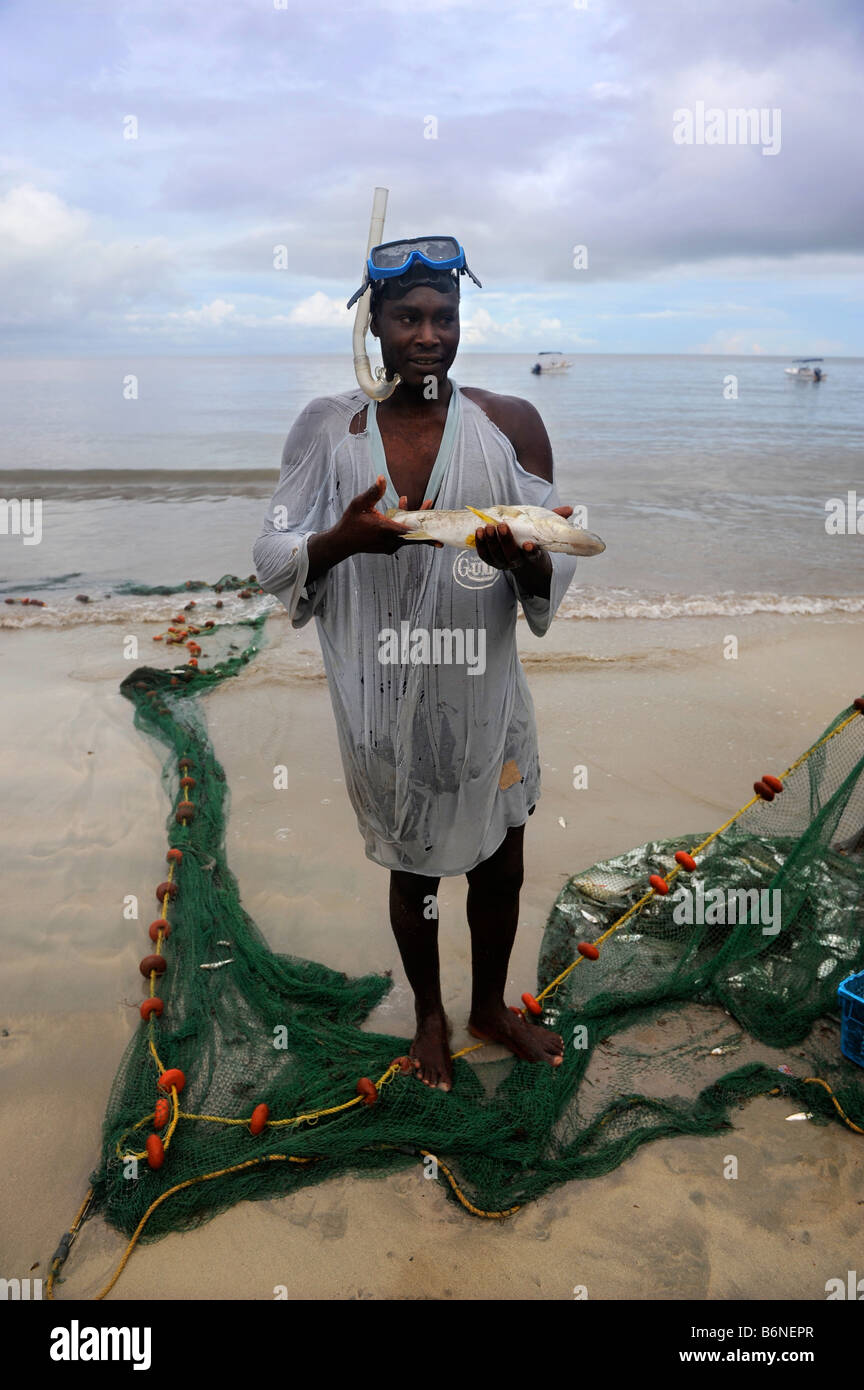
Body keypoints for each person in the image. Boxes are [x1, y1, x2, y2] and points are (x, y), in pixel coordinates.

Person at [253, 238, 579, 1091]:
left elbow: (555, 557)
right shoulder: (330, 429)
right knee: (414, 865)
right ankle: (431, 1016)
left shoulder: (512, 423)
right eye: (408, 318)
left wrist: (525, 561)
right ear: (375, 326)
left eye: (444, 316)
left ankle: (490, 1007)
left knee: (502, 858)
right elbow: (272, 548)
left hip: (487, 692)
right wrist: (339, 541)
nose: (428, 335)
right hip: (381, 698)